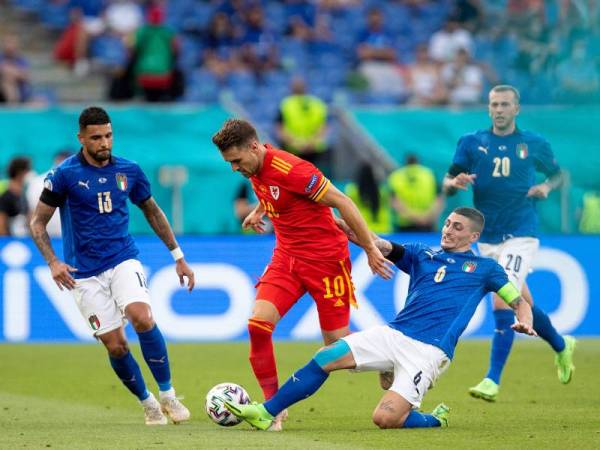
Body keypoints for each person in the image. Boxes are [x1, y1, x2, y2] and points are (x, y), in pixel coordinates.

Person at [224, 207, 537, 431]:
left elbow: (517, 300)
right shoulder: (421, 254)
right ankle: (267, 412)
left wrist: (525, 319)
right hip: (394, 334)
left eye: (457, 227)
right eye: (447, 223)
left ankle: (434, 418)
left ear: (474, 235)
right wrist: (323, 218)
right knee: (327, 355)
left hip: (429, 352)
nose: (448, 229)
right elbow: (376, 243)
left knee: (385, 419)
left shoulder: (487, 268)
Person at [212, 118, 392, 431]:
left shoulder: (294, 170)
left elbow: (342, 202)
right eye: (229, 163)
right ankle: (272, 409)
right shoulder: (256, 164)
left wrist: (370, 248)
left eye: (236, 161)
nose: (234, 168)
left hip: (326, 261)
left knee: (336, 347)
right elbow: (274, 192)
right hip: (287, 258)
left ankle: (388, 357)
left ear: (254, 147)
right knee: (258, 325)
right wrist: (259, 210)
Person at [29, 107, 195, 425]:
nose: (104, 143)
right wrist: (53, 262)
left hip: (122, 259)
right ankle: (148, 403)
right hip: (82, 274)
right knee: (116, 346)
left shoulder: (129, 171)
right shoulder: (64, 175)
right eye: (96, 138)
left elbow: (153, 211)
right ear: (81, 139)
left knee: (142, 317)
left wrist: (178, 257)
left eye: (108, 135)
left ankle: (169, 396)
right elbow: (37, 223)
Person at [442, 84, 576, 402]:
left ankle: (492, 379)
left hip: (521, 232)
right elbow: (447, 183)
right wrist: (454, 183)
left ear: (516, 109)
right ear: (488, 108)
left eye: (504, 105)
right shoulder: (472, 143)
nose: (498, 110)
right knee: (522, 300)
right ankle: (561, 345)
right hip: (486, 238)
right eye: (494, 105)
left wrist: (546, 186)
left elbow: (558, 175)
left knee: (502, 298)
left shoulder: (534, 143)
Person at [276, 77, 330, 176]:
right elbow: (324, 127)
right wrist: (311, 142)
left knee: (295, 180)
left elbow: (280, 128)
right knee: (317, 182)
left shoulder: (286, 104)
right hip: (315, 150)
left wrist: (296, 143)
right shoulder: (318, 103)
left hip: (293, 150)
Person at [387, 154, 444, 232]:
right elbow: (439, 199)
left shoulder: (396, 176)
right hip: (427, 223)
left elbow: (394, 202)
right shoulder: (430, 174)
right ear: (418, 162)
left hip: (404, 225)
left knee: (403, 244)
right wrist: (428, 216)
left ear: (405, 163)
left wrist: (414, 217)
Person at [25, 150, 73, 237]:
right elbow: (31, 212)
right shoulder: (37, 182)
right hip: (50, 234)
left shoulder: (36, 182)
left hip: (63, 235)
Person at [344, 163, 392, 234]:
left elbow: (346, 210)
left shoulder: (352, 190)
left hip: (362, 227)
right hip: (383, 226)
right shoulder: (382, 190)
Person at [0, 156, 31, 236]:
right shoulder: (6, 196)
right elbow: (1, 223)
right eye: (28, 170)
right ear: (20, 173)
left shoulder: (23, 194)